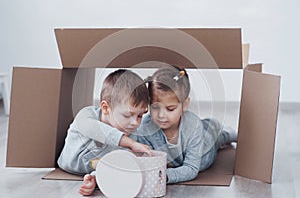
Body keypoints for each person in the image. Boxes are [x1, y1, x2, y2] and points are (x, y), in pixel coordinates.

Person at [78, 65, 237, 195]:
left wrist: (162, 175)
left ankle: (228, 132)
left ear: (185, 105)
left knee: (216, 134)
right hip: (173, 159)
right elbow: (130, 159)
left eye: (170, 108)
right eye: (154, 107)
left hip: (204, 151)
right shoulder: (145, 126)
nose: (161, 115)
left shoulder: (192, 126)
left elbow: (191, 169)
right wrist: (97, 176)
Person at [56, 69, 151, 195]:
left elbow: (115, 165)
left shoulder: (131, 134)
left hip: (91, 172)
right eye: (128, 115)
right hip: (67, 166)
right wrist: (130, 143)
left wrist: (96, 178)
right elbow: (96, 129)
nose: (135, 123)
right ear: (106, 108)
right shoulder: (87, 115)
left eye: (140, 116)